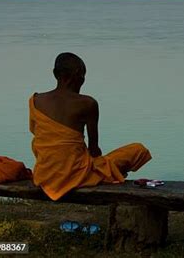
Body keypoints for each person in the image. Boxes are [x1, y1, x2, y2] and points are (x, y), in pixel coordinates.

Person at [29, 52, 152, 200]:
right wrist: (101, 166)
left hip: (44, 174)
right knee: (138, 150)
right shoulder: (88, 104)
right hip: (77, 174)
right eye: (82, 76)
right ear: (79, 76)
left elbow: (39, 139)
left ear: (55, 74)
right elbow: (94, 150)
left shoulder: (36, 101)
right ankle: (92, 176)